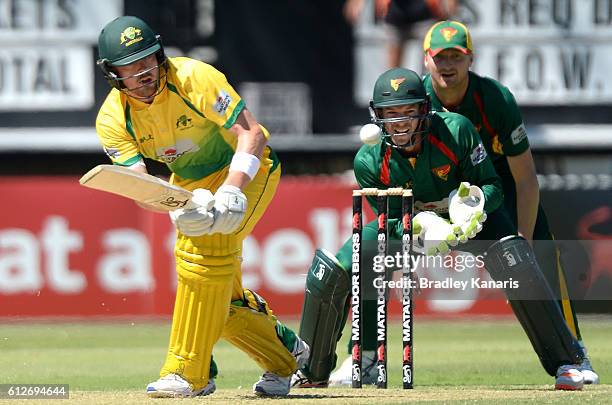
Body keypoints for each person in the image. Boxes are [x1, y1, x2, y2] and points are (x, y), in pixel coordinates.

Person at [292, 67, 587, 390]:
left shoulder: (457, 130)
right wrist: (417, 225)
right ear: (377, 116)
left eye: (408, 112)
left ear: (424, 110)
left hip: (467, 222)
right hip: (413, 226)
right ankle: (346, 363)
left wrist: (473, 203)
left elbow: (493, 186)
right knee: (353, 256)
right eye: (391, 114)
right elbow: (387, 217)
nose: (400, 122)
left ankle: (567, 362)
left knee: (514, 253)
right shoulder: (369, 160)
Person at [94, 16, 309, 398]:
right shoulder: (113, 119)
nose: (144, 72)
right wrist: (175, 205)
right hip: (188, 183)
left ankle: (188, 373)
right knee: (215, 298)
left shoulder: (194, 77)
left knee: (203, 258)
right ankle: (284, 354)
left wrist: (232, 189)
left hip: (246, 171)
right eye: (131, 66)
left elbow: (252, 134)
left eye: (148, 59)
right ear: (113, 73)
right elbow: (142, 183)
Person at [421, 20, 598, 384]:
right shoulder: (416, 100)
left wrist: (525, 241)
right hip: (437, 189)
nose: (448, 65)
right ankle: (366, 356)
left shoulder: (495, 99)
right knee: (377, 250)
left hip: (496, 185)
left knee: (544, 256)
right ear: (426, 60)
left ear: (470, 59)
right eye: (441, 57)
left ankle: (574, 355)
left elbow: (526, 180)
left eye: (456, 56)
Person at [343, 0, 457, 68]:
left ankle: (432, 101)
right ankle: (393, 102)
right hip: (396, 12)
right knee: (394, 70)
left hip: (424, 11)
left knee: (433, 62)